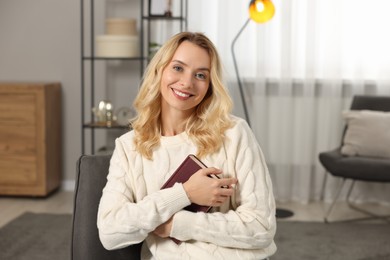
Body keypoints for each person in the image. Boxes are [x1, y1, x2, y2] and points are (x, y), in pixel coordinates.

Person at [97, 31, 277, 259]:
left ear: (210, 85)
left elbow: (261, 226)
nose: (187, 82)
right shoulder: (128, 146)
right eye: (178, 68)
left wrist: (175, 225)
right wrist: (185, 193)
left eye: (201, 75)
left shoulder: (234, 133)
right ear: (159, 70)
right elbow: (110, 232)